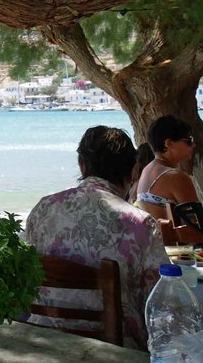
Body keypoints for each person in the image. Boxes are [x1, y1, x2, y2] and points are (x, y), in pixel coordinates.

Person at [24, 125, 168, 350]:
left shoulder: (43, 208)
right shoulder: (141, 224)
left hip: (44, 338)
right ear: (133, 170)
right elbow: (159, 301)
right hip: (116, 347)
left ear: (82, 165)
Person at [134, 115, 203, 242]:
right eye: (188, 140)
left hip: (155, 247)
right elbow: (198, 227)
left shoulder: (147, 170)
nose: (193, 145)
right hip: (180, 253)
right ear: (169, 143)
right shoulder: (176, 177)